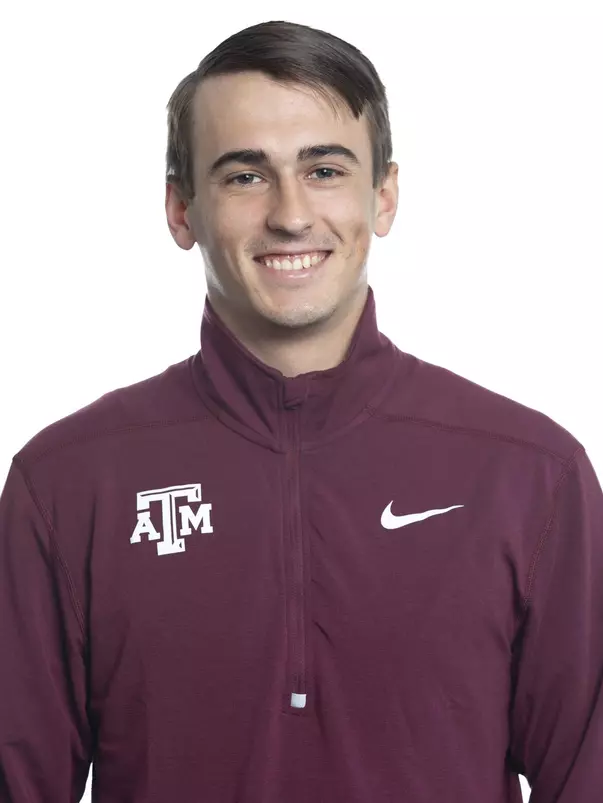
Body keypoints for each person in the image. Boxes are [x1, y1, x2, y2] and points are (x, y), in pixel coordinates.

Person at [0, 19, 601, 803]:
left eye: (322, 169)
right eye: (245, 176)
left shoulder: (529, 474)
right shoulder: (68, 483)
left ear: (382, 195)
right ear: (181, 211)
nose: (289, 214)